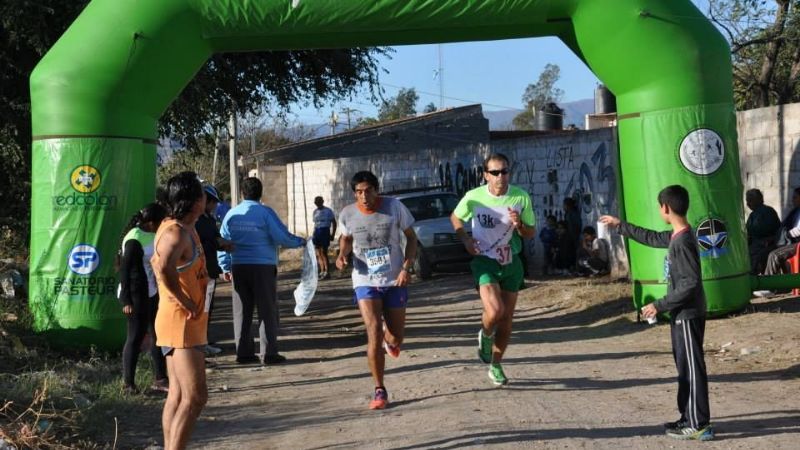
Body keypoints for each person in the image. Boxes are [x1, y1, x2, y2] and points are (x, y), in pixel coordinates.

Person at [600, 185, 713, 441]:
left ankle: (699, 424)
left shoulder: (683, 241)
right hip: (681, 314)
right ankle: (688, 417)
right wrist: (621, 225)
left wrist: (659, 305)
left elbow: (690, 283)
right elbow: (651, 237)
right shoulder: (678, 235)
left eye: (659, 207)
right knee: (684, 368)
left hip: (688, 314)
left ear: (665, 208)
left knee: (692, 370)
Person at [450, 153, 536, 386]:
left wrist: (519, 225)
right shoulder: (474, 197)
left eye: (505, 171)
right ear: (486, 175)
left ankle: (496, 365)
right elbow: (456, 218)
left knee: (507, 319)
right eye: (495, 172)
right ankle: (486, 334)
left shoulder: (520, 197)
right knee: (495, 311)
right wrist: (466, 240)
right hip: (484, 259)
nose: (501, 176)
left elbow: (530, 233)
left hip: (512, 260)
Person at [335, 171, 417, 409]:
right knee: (372, 332)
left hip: (394, 280)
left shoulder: (394, 207)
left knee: (395, 336)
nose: (364, 197)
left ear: (376, 190)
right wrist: (341, 255)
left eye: (368, 191)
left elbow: (411, 239)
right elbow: (346, 239)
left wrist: (406, 268)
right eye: (358, 192)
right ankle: (379, 390)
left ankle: (390, 341)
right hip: (364, 279)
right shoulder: (348, 214)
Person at [219, 177, 305, 365]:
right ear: (261, 193)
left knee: (241, 311)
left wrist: (225, 266)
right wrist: (301, 241)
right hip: (263, 267)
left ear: (242, 193)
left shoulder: (231, 214)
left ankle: (244, 353)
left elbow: (222, 241)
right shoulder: (266, 213)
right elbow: (281, 236)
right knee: (267, 310)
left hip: (238, 267)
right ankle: (269, 353)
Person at [152, 171, 209, 450]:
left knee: (177, 394)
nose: (205, 198)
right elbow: (162, 267)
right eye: (201, 193)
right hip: (181, 323)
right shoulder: (175, 233)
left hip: (187, 321)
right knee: (195, 396)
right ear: (193, 200)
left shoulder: (186, 227)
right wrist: (184, 301)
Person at [118, 202, 169, 394]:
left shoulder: (154, 235)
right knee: (135, 337)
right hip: (135, 294)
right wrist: (126, 301)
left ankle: (160, 378)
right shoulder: (134, 239)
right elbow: (124, 271)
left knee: (158, 335)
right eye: (159, 221)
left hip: (152, 291)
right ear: (150, 222)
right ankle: (128, 383)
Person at [194, 184, 233, 355]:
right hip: (200, 272)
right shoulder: (196, 222)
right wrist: (218, 243)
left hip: (210, 270)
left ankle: (204, 340)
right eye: (213, 202)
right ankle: (200, 343)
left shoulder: (209, 219)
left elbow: (214, 237)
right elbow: (200, 243)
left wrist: (223, 244)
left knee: (208, 308)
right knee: (202, 308)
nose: (216, 205)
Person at [745, 189, 781, 275]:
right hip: (755, 242)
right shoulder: (752, 215)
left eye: (750, 200)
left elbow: (770, 229)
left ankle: (752, 275)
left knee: (754, 252)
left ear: (759, 199)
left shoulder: (768, 211)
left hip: (767, 242)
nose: (748, 204)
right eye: (747, 201)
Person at [312, 196, 337, 280]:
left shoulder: (328, 211)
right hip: (317, 232)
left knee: (324, 252)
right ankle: (322, 271)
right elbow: (315, 224)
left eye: (319, 201)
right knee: (318, 253)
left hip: (325, 232)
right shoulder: (315, 212)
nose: (318, 203)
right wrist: (314, 235)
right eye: (316, 202)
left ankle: (327, 272)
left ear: (322, 201)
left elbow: (334, 223)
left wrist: (332, 234)